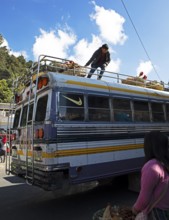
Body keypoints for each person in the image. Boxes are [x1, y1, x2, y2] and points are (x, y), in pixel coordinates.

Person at [132, 131, 169, 219]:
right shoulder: (165, 163)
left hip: (157, 213)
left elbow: (144, 198)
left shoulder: (151, 166)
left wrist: (135, 209)